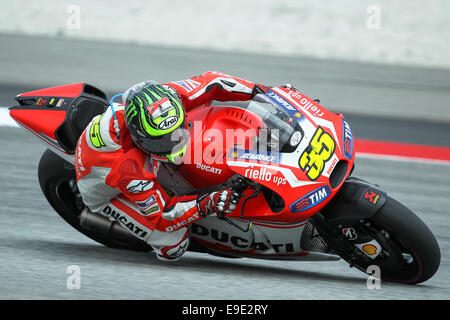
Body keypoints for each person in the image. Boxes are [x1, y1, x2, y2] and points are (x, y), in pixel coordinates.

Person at [74, 71, 269, 261]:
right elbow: (163, 216)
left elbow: (214, 82)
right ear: (137, 137)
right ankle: (120, 224)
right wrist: (208, 203)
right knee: (174, 244)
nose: (173, 146)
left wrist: (261, 91)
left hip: (127, 148)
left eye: (176, 133)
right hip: (101, 186)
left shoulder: (167, 100)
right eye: (160, 142)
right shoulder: (128, 166)